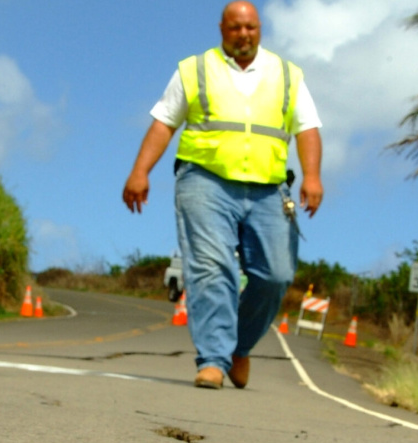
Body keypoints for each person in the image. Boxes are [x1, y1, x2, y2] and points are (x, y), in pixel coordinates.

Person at [122, 1, 323, 390]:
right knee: (212, 268)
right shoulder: (195, 69)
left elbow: (308, 128)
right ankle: (212, 358)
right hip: (205, 181)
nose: (244, 35)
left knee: (276, 275)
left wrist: (312, 176)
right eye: (235, 28)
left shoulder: (287, 74)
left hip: (269, 187)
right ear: (222, 29)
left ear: (259, 28)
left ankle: (239, 348)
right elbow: (164, 122)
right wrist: (139, 171)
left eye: (250, 27)